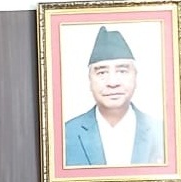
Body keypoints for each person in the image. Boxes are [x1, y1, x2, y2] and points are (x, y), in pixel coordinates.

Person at [64, 26, 164, 167]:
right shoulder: (66, 134)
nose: (112, 82)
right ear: (89, 80)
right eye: (102, 73)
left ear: (135, 77)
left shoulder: (161, 131)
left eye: (122, 71)